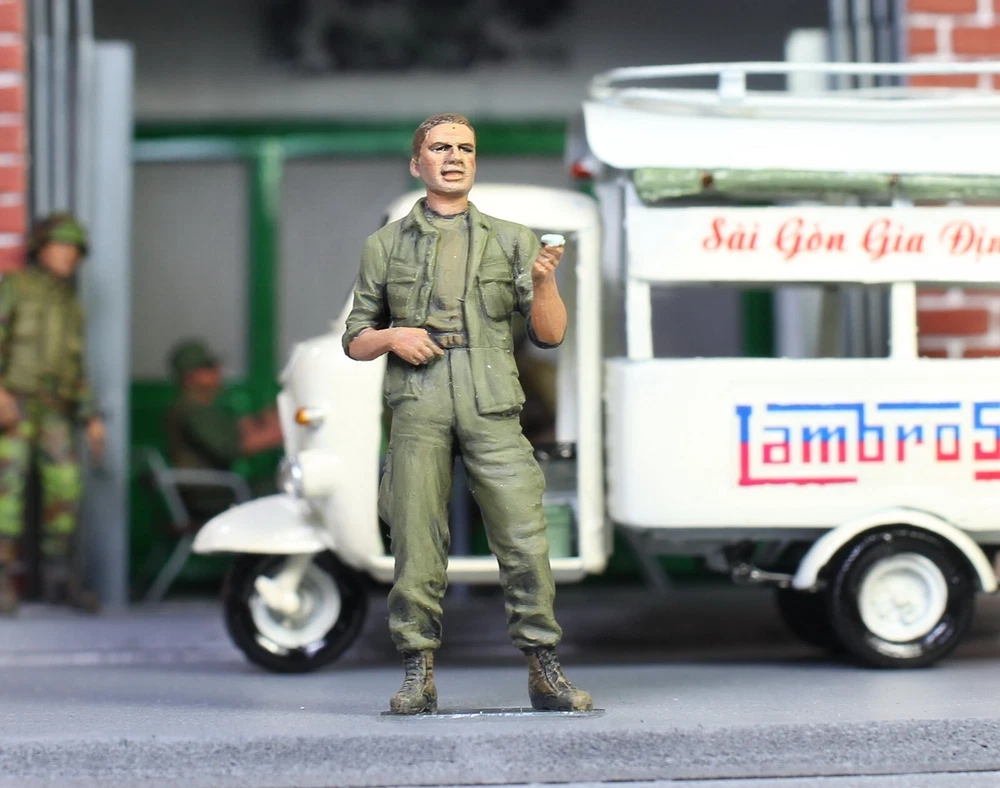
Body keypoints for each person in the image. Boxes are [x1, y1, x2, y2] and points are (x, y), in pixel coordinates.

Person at [343, 113, 592, 714]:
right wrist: (395, 336)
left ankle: (544, 667)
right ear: (417, 163)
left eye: (465, 148)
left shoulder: (513, 240)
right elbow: (355, 338)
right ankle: (417, 670)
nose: (454, 157)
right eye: (439, 148)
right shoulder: (385, 245)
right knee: (415, 537)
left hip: (491, 399)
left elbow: (550, 333)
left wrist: (545, 283)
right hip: (419, 400)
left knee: (524, 534)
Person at [0, 213, 105, 614]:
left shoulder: (70, 304)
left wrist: (91, 416)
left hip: (56, 409)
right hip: (17, 404)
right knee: (7, 490)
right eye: (61, 245)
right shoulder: (15, 287)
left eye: (74, 248)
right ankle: (2, 579)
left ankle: (58, 580)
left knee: (65, 489)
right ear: (41, 248)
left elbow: (76, 365)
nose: (68, 255)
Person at [165, 339, 283, 519]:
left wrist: (268, 417)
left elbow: (237, 429)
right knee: (284, 485)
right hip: (212, 496)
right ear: (190, 376)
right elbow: (233, 447)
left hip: (217, 491)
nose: (217, 371)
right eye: (208, 367)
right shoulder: (193, 410)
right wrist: (282, 432)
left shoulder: (199, 406)